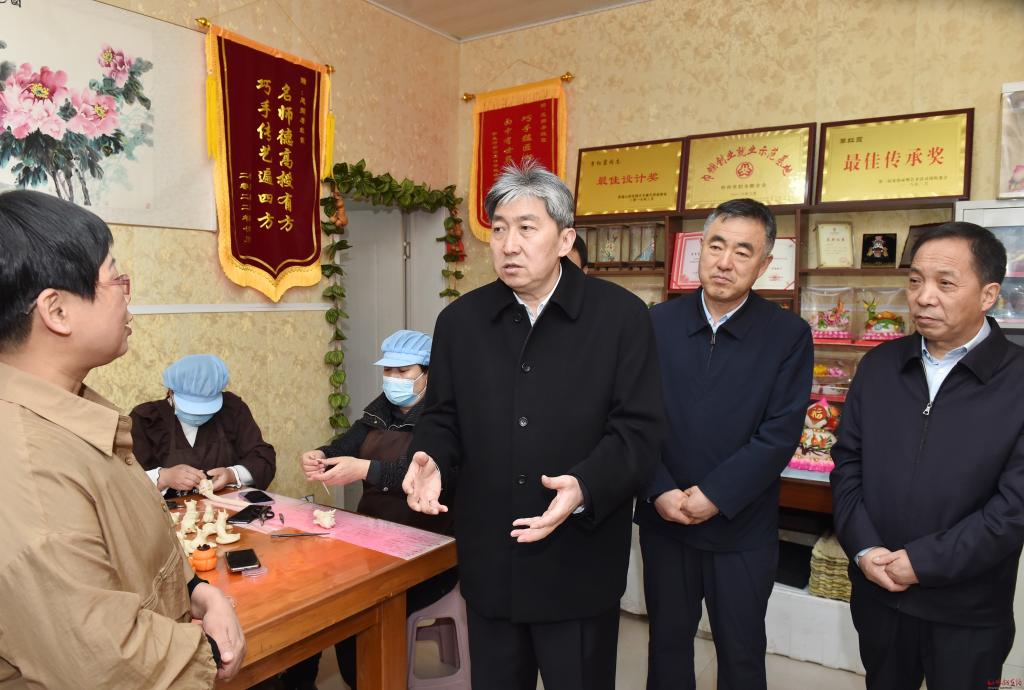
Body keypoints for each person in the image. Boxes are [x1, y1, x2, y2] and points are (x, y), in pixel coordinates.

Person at [403, 160, 664, 690]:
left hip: (579, 563)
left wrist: (586, 485)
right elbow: (442, 416)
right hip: (491, 561)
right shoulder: (461, 321)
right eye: (499, 229)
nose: (509, 244)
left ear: (565, 239)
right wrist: (431, 457)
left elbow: (639, 430)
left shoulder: (621, 317)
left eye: (527, 228)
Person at [0, 189, 244, 687]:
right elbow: (105, 659)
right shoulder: (28, 469)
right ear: (57, 311)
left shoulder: (78, 414)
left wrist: (198, 592)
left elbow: (128, 550)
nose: (127, 297)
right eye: (116, 279)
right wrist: (208, 650)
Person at [831, 222, 1024, 690]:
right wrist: (865, 549)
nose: (923, 297)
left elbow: (1014, 508)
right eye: (915, 281)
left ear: (989, 295)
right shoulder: (880, 365)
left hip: (967, 610)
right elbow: (848, 464)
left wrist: (922, 562)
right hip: (879, 594)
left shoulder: (1017, 380)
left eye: (945, 283)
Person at [636, 198, 813, 690]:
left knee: (741, 652)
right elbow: (631, 418)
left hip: (742, 528)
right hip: (665, 520)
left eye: (742, 251)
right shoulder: (656, 323)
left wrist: (715, 495)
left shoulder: (788, 334)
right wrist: (658, 489)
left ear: (765, 263)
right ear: (699, 249)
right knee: (666, 646)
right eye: (716, 246)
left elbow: (779, 433)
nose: (725, 262)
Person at [295, 329, 456, 690]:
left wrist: (364, 469)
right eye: (388, 371)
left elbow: (417, 471)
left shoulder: (444, 421)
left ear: (429, 373)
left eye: (403, 371)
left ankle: (373, 679)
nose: (393, 379)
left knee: (360, 603)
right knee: (325, 592)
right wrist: (322, 455)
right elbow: (346, 445)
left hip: (429, 546)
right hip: (372, 538)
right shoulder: (380, 410)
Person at [131, 354, 276, 493]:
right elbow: (125, 479)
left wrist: (232, 475)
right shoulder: (145, 419)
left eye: (206, 407)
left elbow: (263, 459)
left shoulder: (232, 409)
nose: (198, 414)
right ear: (171, 392)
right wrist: (163, 477)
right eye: (190, 406)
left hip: (227, 506)